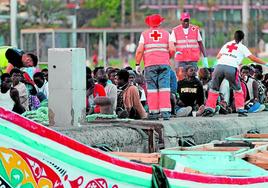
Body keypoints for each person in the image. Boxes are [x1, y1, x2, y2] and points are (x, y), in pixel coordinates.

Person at [202, 30, 268, 117]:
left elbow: (218, 56)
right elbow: (252, 58)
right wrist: (265, 63)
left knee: (214, 89)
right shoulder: (242, 47)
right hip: (231, 68)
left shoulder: (227, 44)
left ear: (234, 36)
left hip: (219, 67)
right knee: (238, 89)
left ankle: (209, 109)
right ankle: (240, 110)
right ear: (242, 38)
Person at [135, 14, 175, 120]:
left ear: (149, 23)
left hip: (150, 65)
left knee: (152, 89)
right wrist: (167, 57)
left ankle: (153, 113)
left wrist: (137, 64)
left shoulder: (144, 34)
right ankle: (166, 112)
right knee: (165, 88)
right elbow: (172, 49)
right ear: (160, 23)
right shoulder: (167, 34)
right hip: (164, 64)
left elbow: (139, 51)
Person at [171, 12, 207, 81]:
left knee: (193, 77)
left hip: (192, 59)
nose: (186, 22)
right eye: (184, 20)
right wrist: (172, 57)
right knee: (181, 78)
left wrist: (205, 57)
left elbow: (200, 43)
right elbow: (172, 45)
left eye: (187, 20)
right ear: (181, 20)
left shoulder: (195, 29)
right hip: (181, 59)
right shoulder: (175, 30)